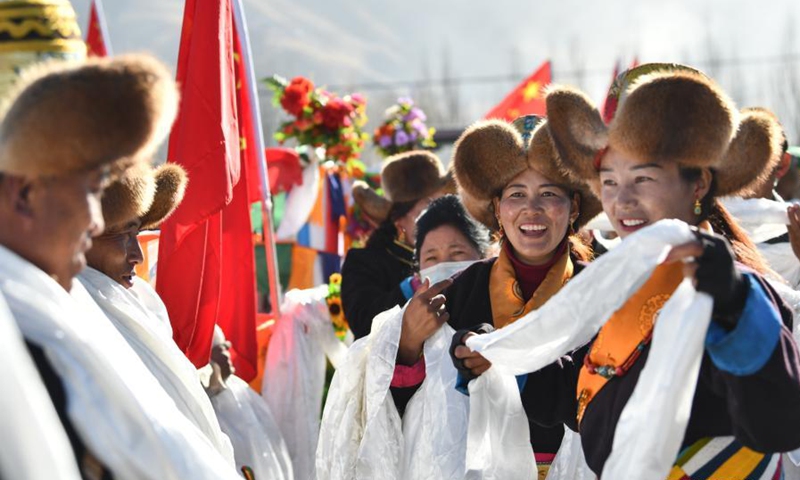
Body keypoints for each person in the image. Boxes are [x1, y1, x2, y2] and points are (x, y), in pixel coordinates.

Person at [493, 63, 800, 478]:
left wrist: (731, 306)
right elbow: (596, 400)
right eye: (610, 182)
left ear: (699, 185)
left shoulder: (736, 291)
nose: (622, 202)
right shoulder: (623, 284)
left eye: (644, 179)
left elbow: (778, 424)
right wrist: (503, 359)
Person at [0, 55, 239, 479]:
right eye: (91, 191)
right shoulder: (22, 331)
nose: (94, 221)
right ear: (26, 195)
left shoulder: (49, 311)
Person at [396, 115, 601, 479]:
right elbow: (412, 416)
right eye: (516, 194)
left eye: (549, 194)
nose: (531, 210)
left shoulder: (603, 294)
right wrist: (408, 344)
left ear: (574, 207)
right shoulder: (457, 293)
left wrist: (505, 362)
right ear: (496, 209)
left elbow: (606, 403)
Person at [76, 162, 237, 462]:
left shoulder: (139, 299)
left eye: (136, 232)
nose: (137, 254)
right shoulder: (72, 310)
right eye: (122, 234)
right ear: (79, 235)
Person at [341, 150, 452, 339]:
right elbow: (364, 325)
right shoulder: (363, 263)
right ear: (400, 221)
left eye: (447, 203)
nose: (444, 214)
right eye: (431, 206)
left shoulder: (464, 251)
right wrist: (413, 286)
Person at [205, 326, 294, 480]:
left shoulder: (241, 389)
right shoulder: (208, 409)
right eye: (221, 349)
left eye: (225, 348)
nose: (227, 354)